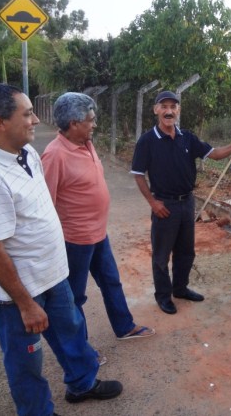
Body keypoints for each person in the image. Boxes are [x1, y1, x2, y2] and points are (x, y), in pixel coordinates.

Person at [0, 84, 122, 416]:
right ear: (0, 122)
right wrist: (26, 304)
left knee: (71, 332)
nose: (35, 120)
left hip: (52, 274)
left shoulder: (26, 151)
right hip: (20, 292)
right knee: (25, 359)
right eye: (27, 113)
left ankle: (82, 384)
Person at [41, 92, 155, 347]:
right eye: (90, 120)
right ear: (73, 123)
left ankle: (124, 327)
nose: (94, 124)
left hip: (98, 234)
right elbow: (45, 203)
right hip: (75, 240)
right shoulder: (55, 155)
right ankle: (82, 352)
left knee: (111, 281)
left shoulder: (86, 143)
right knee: (74, 297)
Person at [131, 90, 231, 315]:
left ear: (178, 110)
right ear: (156, 110)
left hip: (187, 204)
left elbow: (214, 153)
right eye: (164, 106)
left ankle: (180, 288)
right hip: (164, 205)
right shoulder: (147, 141)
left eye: (173, 107)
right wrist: (153, 204)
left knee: (186, 252)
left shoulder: (187, 137)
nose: (169, 111)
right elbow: (138, 174)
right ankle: (163, 296)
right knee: (161, 255)